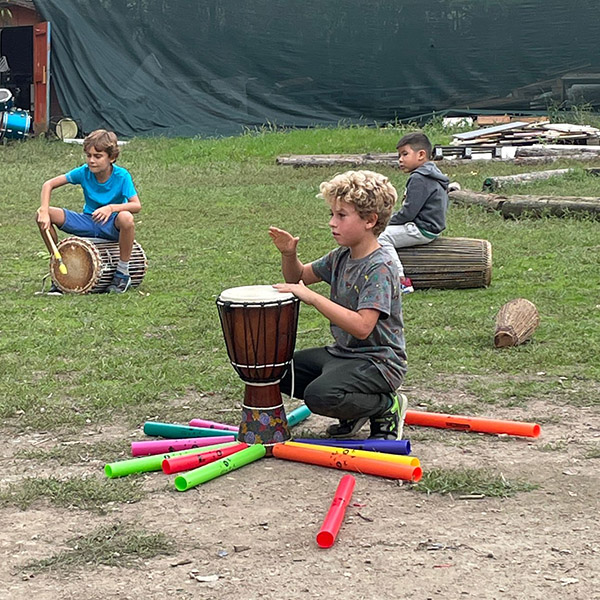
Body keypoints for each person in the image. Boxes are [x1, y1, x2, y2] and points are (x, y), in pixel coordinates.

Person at [269, 170, 408, 440]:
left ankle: (385, 407)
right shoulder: (342, 256)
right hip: (344, 354)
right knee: (278, 371)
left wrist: (314, 298)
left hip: (379, 362)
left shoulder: (380, 266)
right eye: (332, 214)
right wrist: (289, 254)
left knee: (319, 396)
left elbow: (362, 327)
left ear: (370, 220)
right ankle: (354, 411)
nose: (332, 222)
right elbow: (299, 277)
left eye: (341, 215)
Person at [36, 129, 141, 294]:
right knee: (45, 213)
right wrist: (43, 210)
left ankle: (123, 272)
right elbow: (48, 185)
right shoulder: (83, 172)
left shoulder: (122, 176)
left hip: (111, 225)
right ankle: (59, 266)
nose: (91, 161)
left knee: (126, 217)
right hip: (88, 220)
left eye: (97, 156)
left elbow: (136, 205)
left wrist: (111, 208)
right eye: (88, 155)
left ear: (111, 158)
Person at [378, 131, 450, 294]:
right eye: (399, 155)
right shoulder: (432, 172)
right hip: (432, 226)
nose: (400, 160)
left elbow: (408, 213)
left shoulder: (419, 178)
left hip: (422, 228)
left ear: (421, 154)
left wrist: (383, 222)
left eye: (405, 154)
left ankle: (400, 280)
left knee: (381, 236)